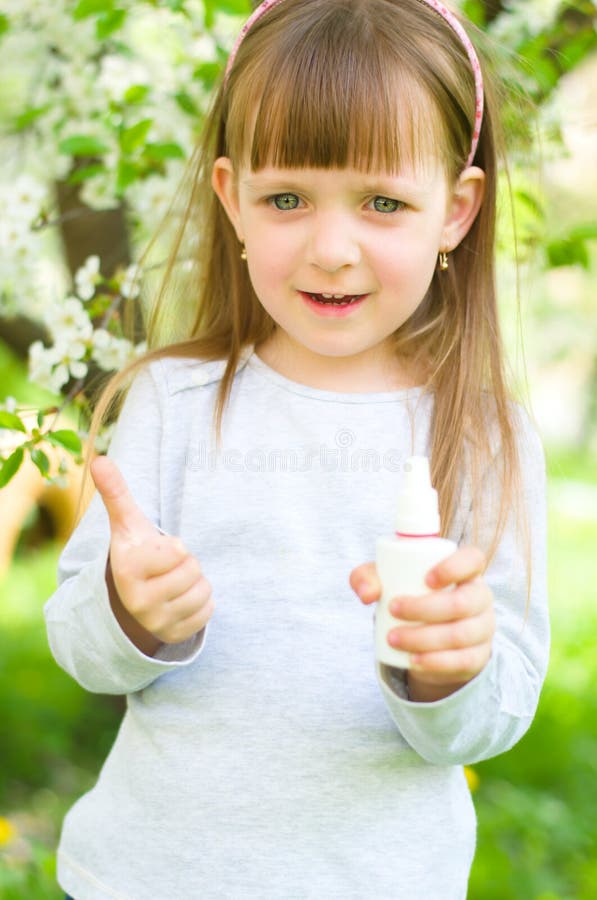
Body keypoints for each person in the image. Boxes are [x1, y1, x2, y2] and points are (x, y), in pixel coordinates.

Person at [44, 1, 549, 898]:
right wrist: (130, 613)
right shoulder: (173, 402)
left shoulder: (483, 433)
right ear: (232, 197)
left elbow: (495, 715)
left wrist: (451, 670)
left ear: (456, 210)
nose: (330, 248)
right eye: (286, 199)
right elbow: (83, 650)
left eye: (382, 203)